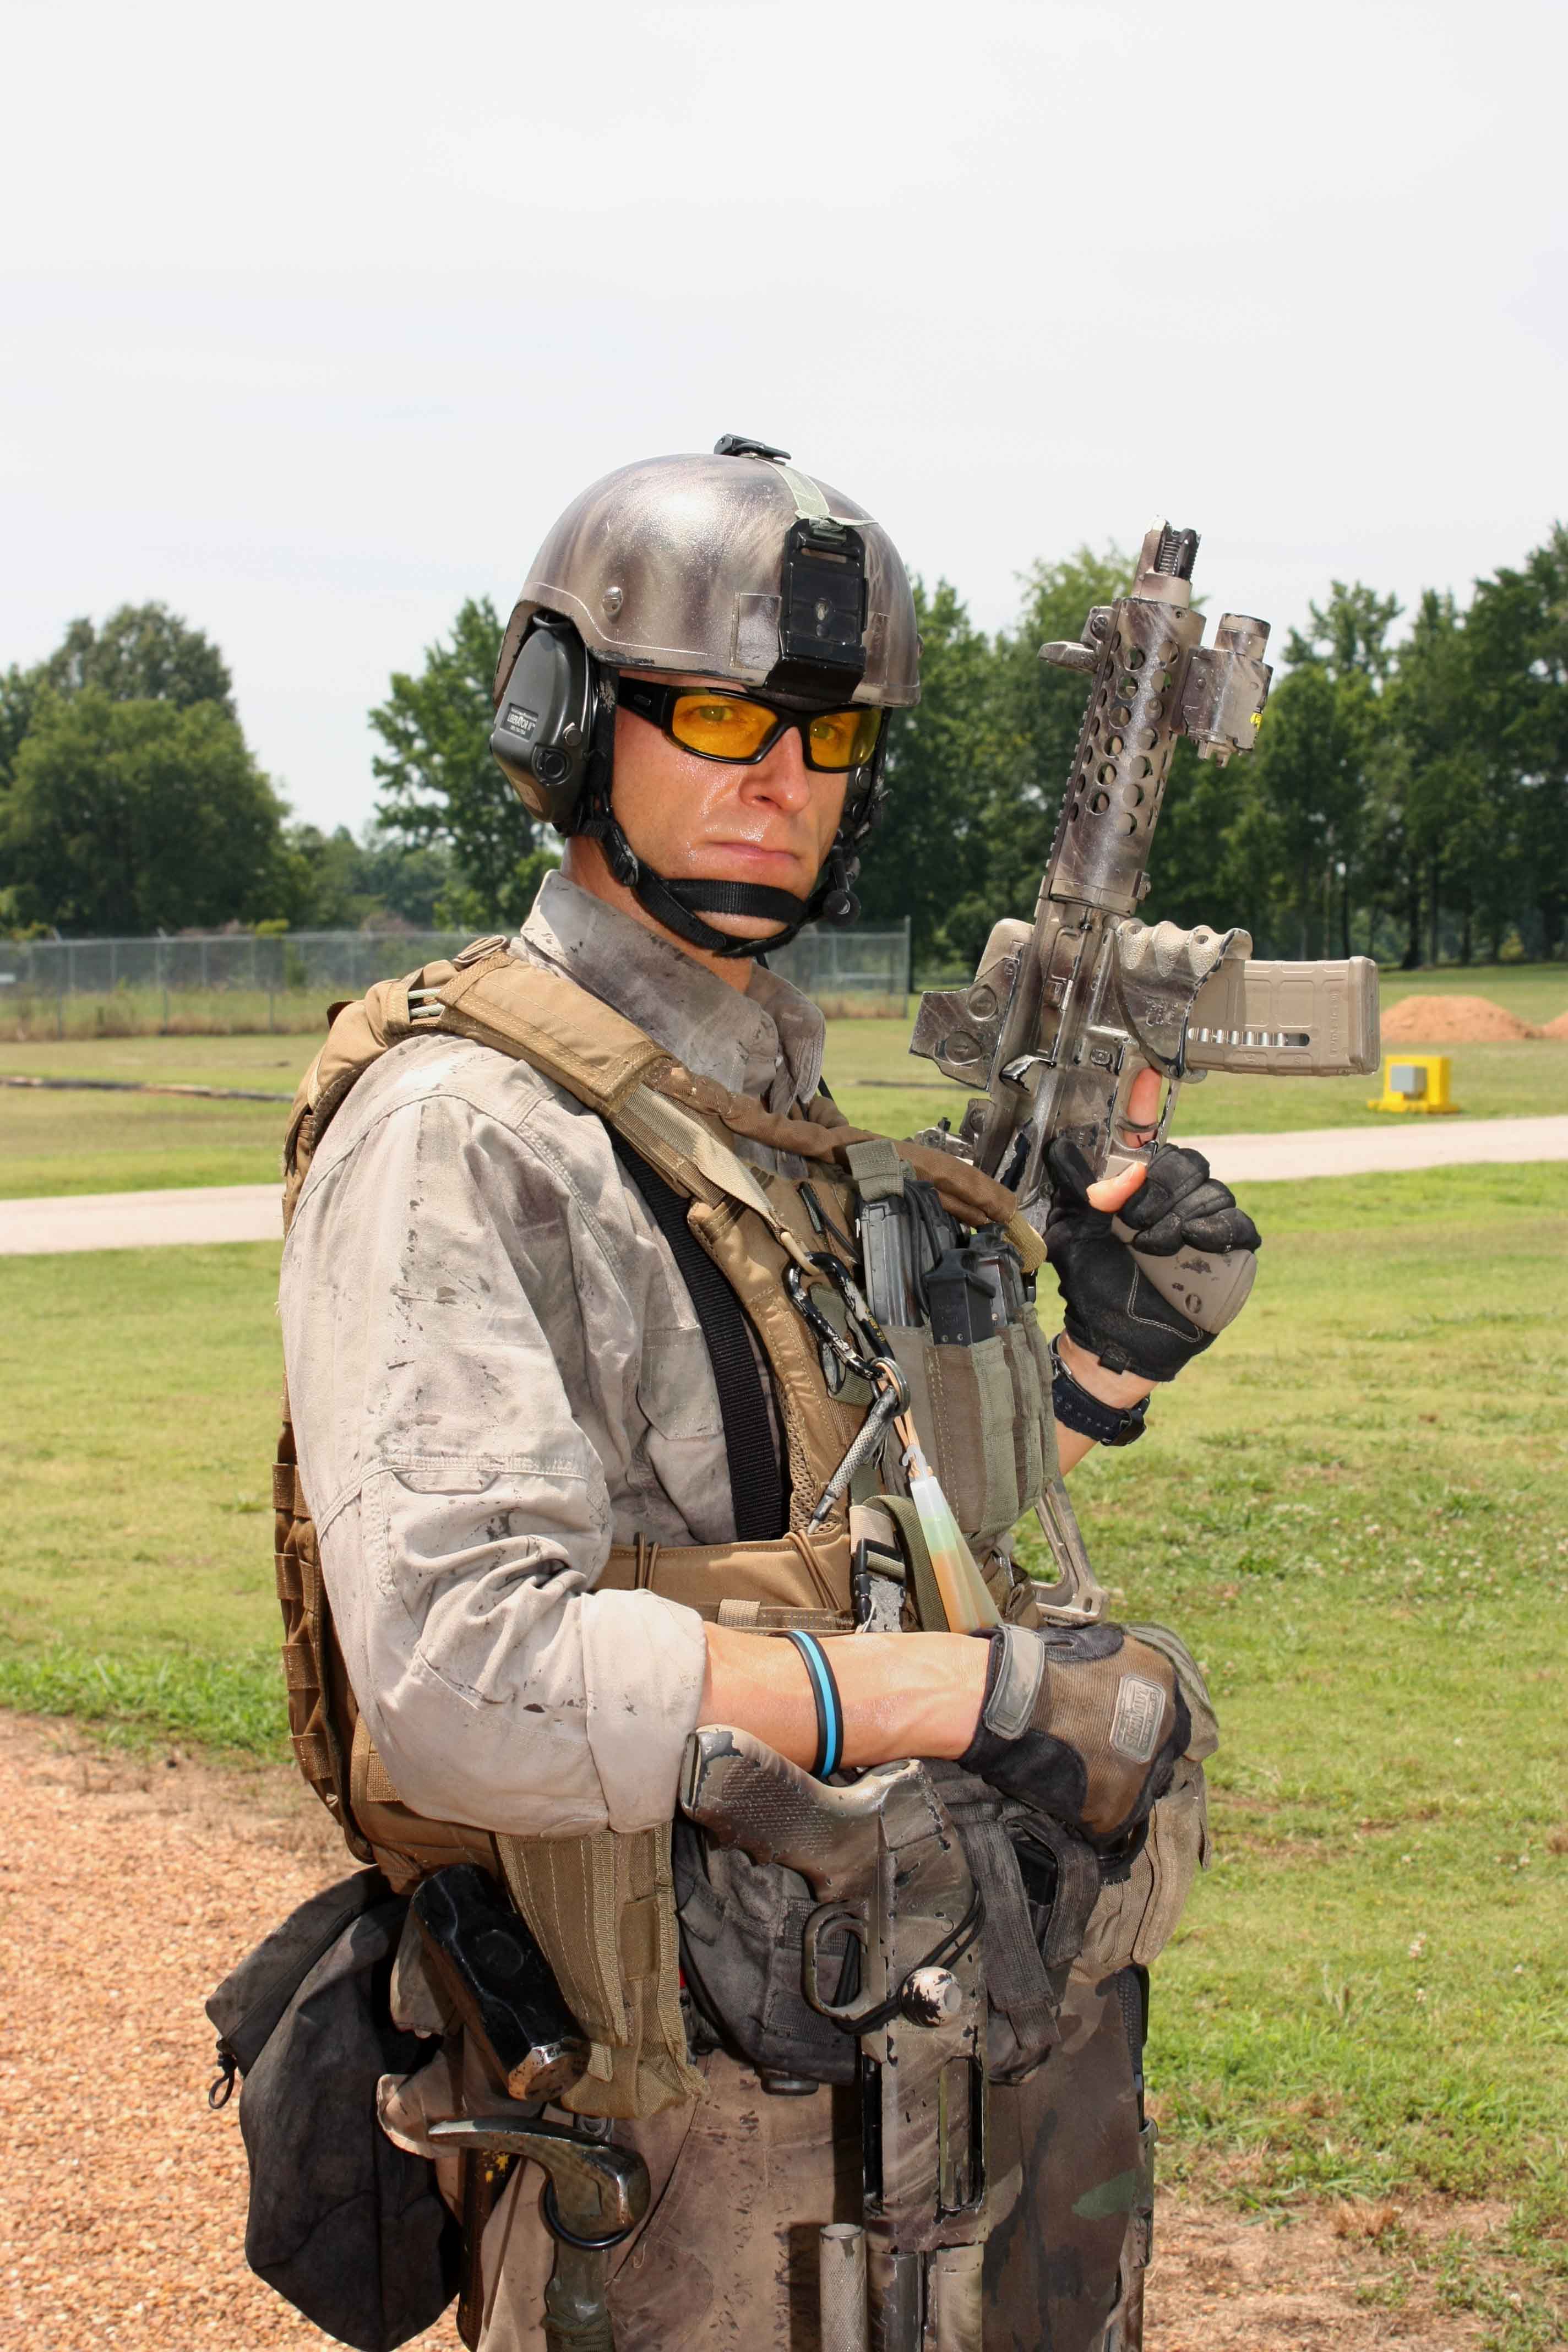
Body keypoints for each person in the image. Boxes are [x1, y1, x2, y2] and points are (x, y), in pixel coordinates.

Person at [275, 437, 1256, 2351]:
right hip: (700, 2184)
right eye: (716, 712)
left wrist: (1102, 1370)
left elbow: (868, 1543)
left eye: (822, 739)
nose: (770, 779)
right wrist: (973, 1698)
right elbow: (470, 1678)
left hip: (982, 2122)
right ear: (571, 719)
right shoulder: (469, 1132)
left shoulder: (784, 1131)